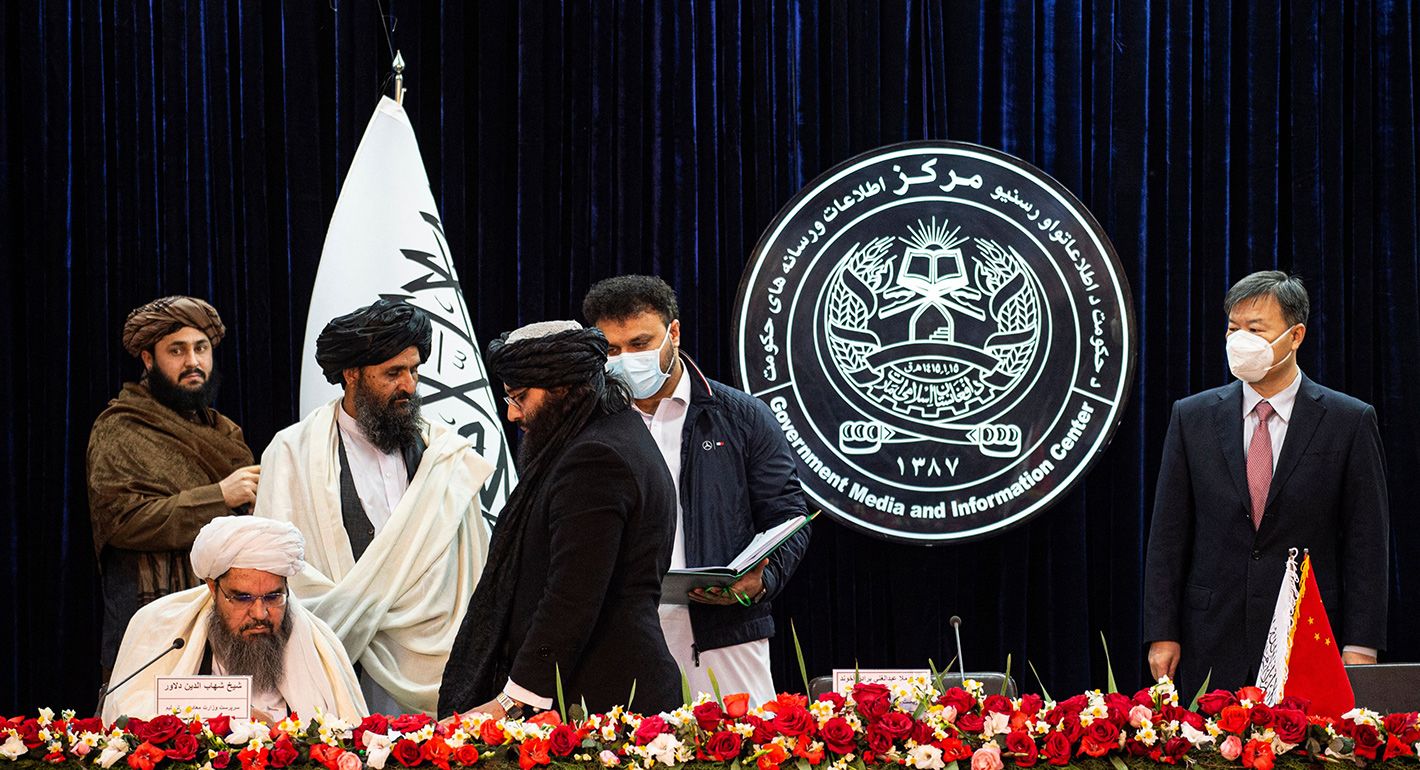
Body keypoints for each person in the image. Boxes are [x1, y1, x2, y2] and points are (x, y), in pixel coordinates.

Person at [1143, 270, 1388, 697]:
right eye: (1232, 328)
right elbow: (1168, 533)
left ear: (1295, 336)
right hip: (1211, 634)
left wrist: (1361, 644)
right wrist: (1162, 631)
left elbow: (1367, 542)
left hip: (1309, 635)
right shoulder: (1192, 417)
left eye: (1255, 330)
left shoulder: (1349, 421)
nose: (1240, 341)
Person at [255, 299, 492, 715]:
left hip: (436, 661)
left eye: (414, 370)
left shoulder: (444, 454)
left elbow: (471, 566)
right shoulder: (292, 452)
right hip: (337, 657)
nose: (410, 386)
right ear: (351, 375)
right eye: (393, 373)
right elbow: (277, 566)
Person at [583, 276, 810, 707]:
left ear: (674, 333)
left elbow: (789, 517)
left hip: (726, 632)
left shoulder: (743, 417)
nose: (627, 359)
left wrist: (760, 581)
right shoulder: (590, 425)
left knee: (744, 750)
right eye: (612, 350)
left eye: (640, 343)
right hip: (619, 633)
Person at [437, 321, 681, 719]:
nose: (512, 414)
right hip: (593, 692)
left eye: (519, 397)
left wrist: (513, 700)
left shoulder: (595, 459)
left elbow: (571, 599)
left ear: (562, 388)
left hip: (602, 700)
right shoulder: (610, 435)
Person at [87, 295, 260, 678]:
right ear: (148, 359)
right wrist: (219, 497)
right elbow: (123, 521)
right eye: (177, 351)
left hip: (223, 615)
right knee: (141, 732)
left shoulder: (225, 432)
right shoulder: (120, 427)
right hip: (149, 616)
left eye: (201, 348)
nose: (193, 362)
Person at [101, 516, 366, 723]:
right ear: (213, 589)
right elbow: (127, 716)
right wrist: (236, 713)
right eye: (243, 598)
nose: (260, 614)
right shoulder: (159, 626)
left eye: (274, 597)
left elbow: (348, 734)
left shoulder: (321, 646)